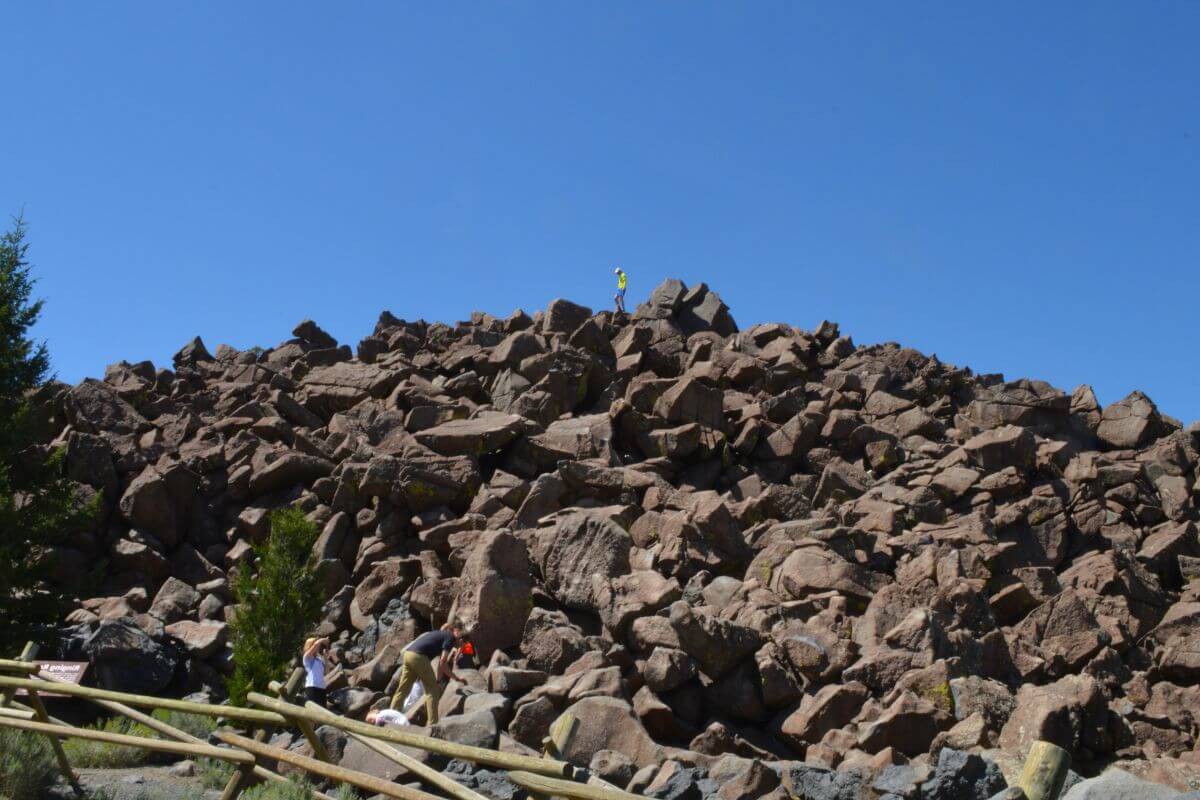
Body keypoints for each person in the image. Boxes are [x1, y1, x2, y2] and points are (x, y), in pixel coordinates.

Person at [388, 622, 464, 723]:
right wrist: (455, 677)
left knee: (403, 688)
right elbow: (442, 662)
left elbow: (440, 665)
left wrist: (438, 680)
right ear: (458, 634)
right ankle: (433, 725)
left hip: (408, 654)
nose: (462, 643)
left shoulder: (441, 634)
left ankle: (389, 717)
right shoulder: (450, 637)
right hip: (418, 657)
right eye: (463, 641)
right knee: (432, 691)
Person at [302, 636, 330, 708]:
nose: (318, 646)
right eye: (314, 644)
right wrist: (323, 640)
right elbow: (316, 644)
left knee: (323, 710)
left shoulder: (319, 659)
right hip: (312, 687)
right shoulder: (307, 657)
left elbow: (326, 672)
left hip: (321, 688)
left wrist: (325, 658)